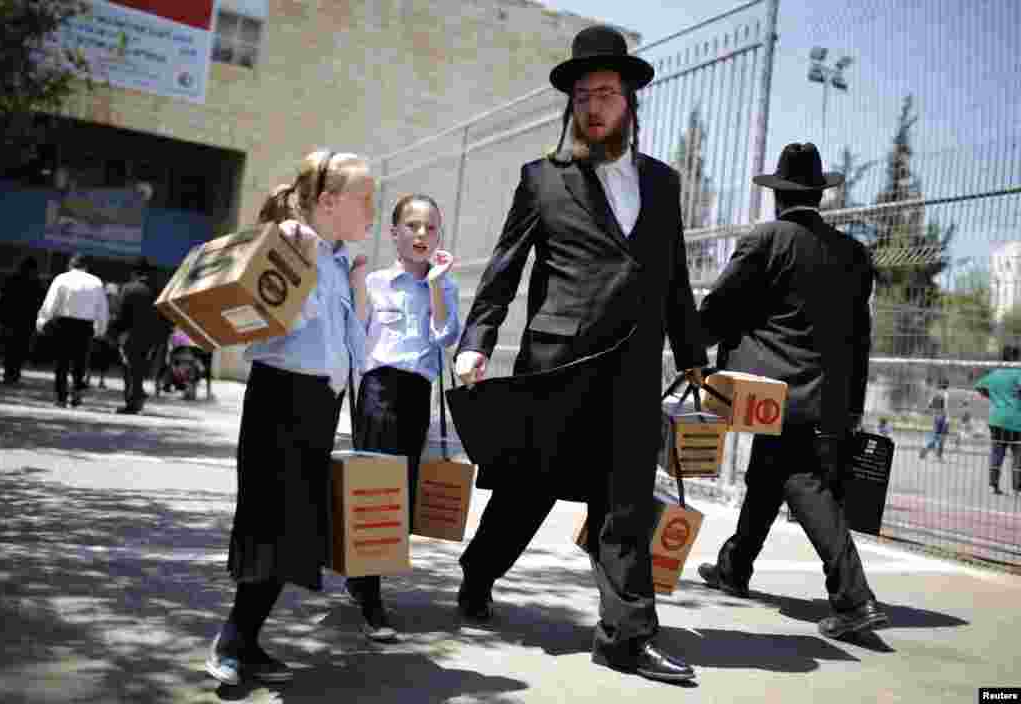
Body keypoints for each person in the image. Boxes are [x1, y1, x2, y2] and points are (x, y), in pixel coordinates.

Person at [453, 26, 707, 684]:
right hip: (558, 365)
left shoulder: (663, 182)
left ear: (629, 102)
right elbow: (503, 272)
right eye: (583, 95)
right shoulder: (543, 179)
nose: (594, 106)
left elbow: (674, 274)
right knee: (526, 489)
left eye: (606, 93)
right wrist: (476, 343)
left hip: (632, 367)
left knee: (625, 502)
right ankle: (479, 570)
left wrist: (692, 352)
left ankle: (625, 636)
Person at [695, 142, 889, 639]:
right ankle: (735, 568)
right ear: (819, 196)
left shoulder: (768, 240)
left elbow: (722, 308)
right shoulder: (853, 253)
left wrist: (692, 347)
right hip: (827, 394)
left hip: (771, 389)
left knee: (800, 479)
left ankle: (854, 598)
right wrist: (852, 405)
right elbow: (860, 338)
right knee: (770, 472)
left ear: (778, 196)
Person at [204, 151, 371, 687]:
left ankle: (247, 641)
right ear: (328, 202)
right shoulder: (290, 245)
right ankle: (232, 639)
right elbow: (256, 329)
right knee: (268, 524)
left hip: (320, 403)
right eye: (364, 199)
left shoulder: (340, 259)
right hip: (281, 397)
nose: (373, 209)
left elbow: (353, 346)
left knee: (294, 529)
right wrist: (293, 265)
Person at [344, 194, 459, 642]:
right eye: (412, 226)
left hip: (417, 396)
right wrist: (354, 285)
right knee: (376, 492)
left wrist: (435, 284)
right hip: (378, 391)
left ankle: (361, 577)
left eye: (430, 228)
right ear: (394, 233)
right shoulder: (376, 283)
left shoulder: (443, 285)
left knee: (403, 499)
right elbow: (356, 334)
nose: (421, 235)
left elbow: (445, 337)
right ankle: (370, 598)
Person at [35, 254, 109, 408]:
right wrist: (101, 329)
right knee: (80, 362)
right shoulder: (96, 282)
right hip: (85, 326)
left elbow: (51, 302)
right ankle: (76, 395)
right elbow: (102, 309)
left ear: (70, 265)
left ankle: (61, 397)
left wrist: (42, 321)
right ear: (86, 267)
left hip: (64, 324)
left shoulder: (61, 279)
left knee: (61, 362)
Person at [108, 259, 170, 414]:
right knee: (140, 368)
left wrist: (113, 332)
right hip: (154, 338)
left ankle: (133, 401)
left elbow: (122, 315)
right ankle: (137, 397)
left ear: (135, 273)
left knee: (130, 368)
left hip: (132, 335)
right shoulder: (159, 290)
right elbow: (166, 316)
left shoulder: (129, 288)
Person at [975, 345, 1021, 495]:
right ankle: (1017, 488)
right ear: (1015, 357)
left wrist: (993, 397)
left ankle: (993, 485)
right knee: (1018, 455)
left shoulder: (995, 373)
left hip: (996, 419)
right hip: (1016, 419)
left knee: (997, 452)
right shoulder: (1018, 372)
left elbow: (979, 386)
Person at [0, 257, 44, 384]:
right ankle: (14, 374)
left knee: (10, 348)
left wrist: (1, 318)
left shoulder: (11, 280)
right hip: (26, 322)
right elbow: (39, 303)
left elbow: (3, 300)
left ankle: (9, 374)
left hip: (11, 320)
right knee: (20, 349)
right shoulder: (36, 283)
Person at [919, 379, 950, 461]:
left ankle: (924, 451)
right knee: (941, 438)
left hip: (937, 417)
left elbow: (929, 406)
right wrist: (945, 418)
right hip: (943, 418)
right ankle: (938, 455)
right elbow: (944, 407)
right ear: (947, 386)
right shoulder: (945, 394)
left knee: (937, 437)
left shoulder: (936, 393)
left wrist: (928, 410)